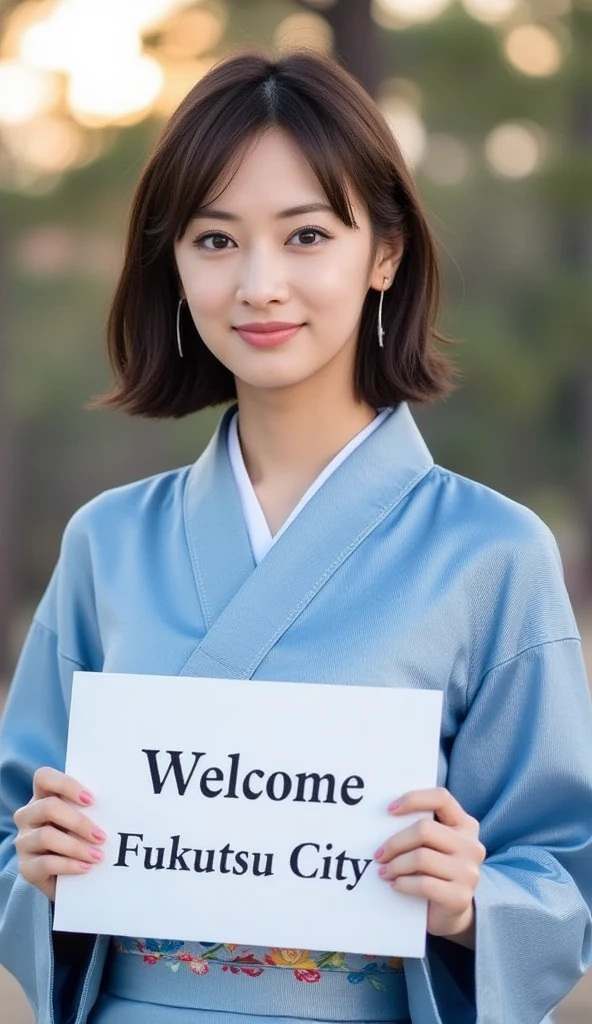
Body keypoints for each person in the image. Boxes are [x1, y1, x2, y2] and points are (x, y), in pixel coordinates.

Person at [0, 48, 591, 1024]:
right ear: (175, 263)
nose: (259, 284)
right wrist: (45, 865)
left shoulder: (494, 553)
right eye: (216, 240)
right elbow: (12, 829)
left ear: (385, 253)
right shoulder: (106, 543)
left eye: (307, 234)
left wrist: (468, 899)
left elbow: (563, 868)